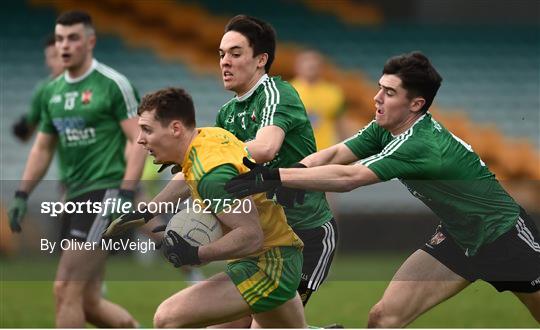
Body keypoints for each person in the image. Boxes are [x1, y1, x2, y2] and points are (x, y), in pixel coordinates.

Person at [225, 51, 540, 327]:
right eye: (379, 87)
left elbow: (352, 177)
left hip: (504, 237)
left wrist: (279, 176)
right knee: (383, 318)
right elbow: (336, 153)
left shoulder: (420, 143)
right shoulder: (385, 126)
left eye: (389, 92)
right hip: (458, 238)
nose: (377, 98)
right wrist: (295, 171)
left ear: (415, 104)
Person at [107, 87, 306, 327]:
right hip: (269, 257)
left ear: (176, 129)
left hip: (269, 265)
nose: (139, 139)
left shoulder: (211, 175)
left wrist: (196, 254)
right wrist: (148, 211)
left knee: (167, 318)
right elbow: (186, 176)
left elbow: (251, 236)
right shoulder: (207, 138)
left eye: (147, 130)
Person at [7, 10, 146, 328]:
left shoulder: (113, 84)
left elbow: (137, 139)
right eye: (59, 39)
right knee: (88, 301)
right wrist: (20, 193)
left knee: (65, 288)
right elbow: (42, 147)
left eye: (72, 38)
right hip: (74, 195)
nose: (65, 45)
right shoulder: (53, 92)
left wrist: (125, 191)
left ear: (90, 41)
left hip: (105, 193)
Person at [216, 15, 338, 310]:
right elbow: (216, 169)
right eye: (221, 54)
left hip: (305, 236)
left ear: (261, 60)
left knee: (269, 323)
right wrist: (150, 208)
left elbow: (267, 148)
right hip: (261, 240)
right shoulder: (226, 113)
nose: (224, 62)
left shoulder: (277, 93)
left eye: (235, 53)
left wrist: (214, 154)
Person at [12, 34, 65, 142]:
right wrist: (22, 128)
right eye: (47, 58)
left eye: (55, 56)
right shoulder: (45, 89)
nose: (49, 64)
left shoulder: (98, 83)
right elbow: (26, 134)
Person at [290, 49, 346, 151]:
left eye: (314, 66)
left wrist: (342, 146)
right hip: (296, 150)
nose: (311, 68)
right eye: (308, 66)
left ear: (321, 68)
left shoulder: (333, 92)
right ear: (297, 68)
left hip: (325, 149)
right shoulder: (288, 91)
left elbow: (340, 122)